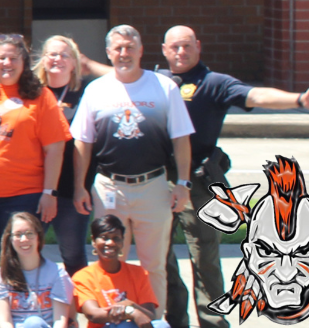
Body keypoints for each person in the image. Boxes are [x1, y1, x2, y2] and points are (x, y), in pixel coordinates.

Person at [157, 25, 309, 328]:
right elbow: (113, 72)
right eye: (175, 47)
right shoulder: (156, 81)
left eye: (187, 45)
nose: (181, 52)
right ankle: (176, 320)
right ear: (164, 50)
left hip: (199, 182)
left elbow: (256, 95)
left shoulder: (214, 83)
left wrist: (299, 101)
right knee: (158, 257)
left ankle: (213, 323)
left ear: (198, 46)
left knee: (205, 259)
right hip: (159, 180)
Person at [69, 25, 193, 315]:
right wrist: (79, 186)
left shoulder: (164, 88)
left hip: (154, 187)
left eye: (129, 47)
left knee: (154, 266)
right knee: (111, 263)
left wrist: (183, 183)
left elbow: (181, 138)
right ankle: (115, 320)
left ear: (140, 50)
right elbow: (82, 143)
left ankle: (154, 320)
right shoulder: (96, 90)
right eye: (118, 48)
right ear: (109, 53)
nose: (124, 53)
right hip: (109, 188)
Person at [0, 35, 70, 268]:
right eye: (1, 58)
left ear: (24, 62)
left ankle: (23, 304)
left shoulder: (41, 97)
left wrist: (50, 192)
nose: (7, 63)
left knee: (19, 261)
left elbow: (55, 148)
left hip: (23, 197)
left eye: (13, 58)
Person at [32, 36, 91, 273]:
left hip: (71, 189)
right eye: (52, 54)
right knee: (28, 251)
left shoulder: (87, 93)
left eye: (65, 55)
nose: (58, 59)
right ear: (43, 60)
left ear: (75, 63)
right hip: (34, 188)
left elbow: (118, 74)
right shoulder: (31, 92)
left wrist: (80, 187)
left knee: (74, 254)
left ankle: (76, 308)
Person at [71, 216, 167, 328]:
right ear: (93, 241)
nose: (110, 243)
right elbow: (93, 315)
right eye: (104, 237)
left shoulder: (139, 273)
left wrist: (131, 305)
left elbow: (149, 315)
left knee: (161, 325)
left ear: (122, 242)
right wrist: (131, 311)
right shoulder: (83, 277)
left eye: (116, 238)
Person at [0, 213, 73, 328]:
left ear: (38, 237)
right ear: (10, 239)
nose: (24, 239)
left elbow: (59, 322)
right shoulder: (0, 275)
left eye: (29, 233)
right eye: (18, 234)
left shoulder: (57, 273)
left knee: (34, 323)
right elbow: (5, 322)